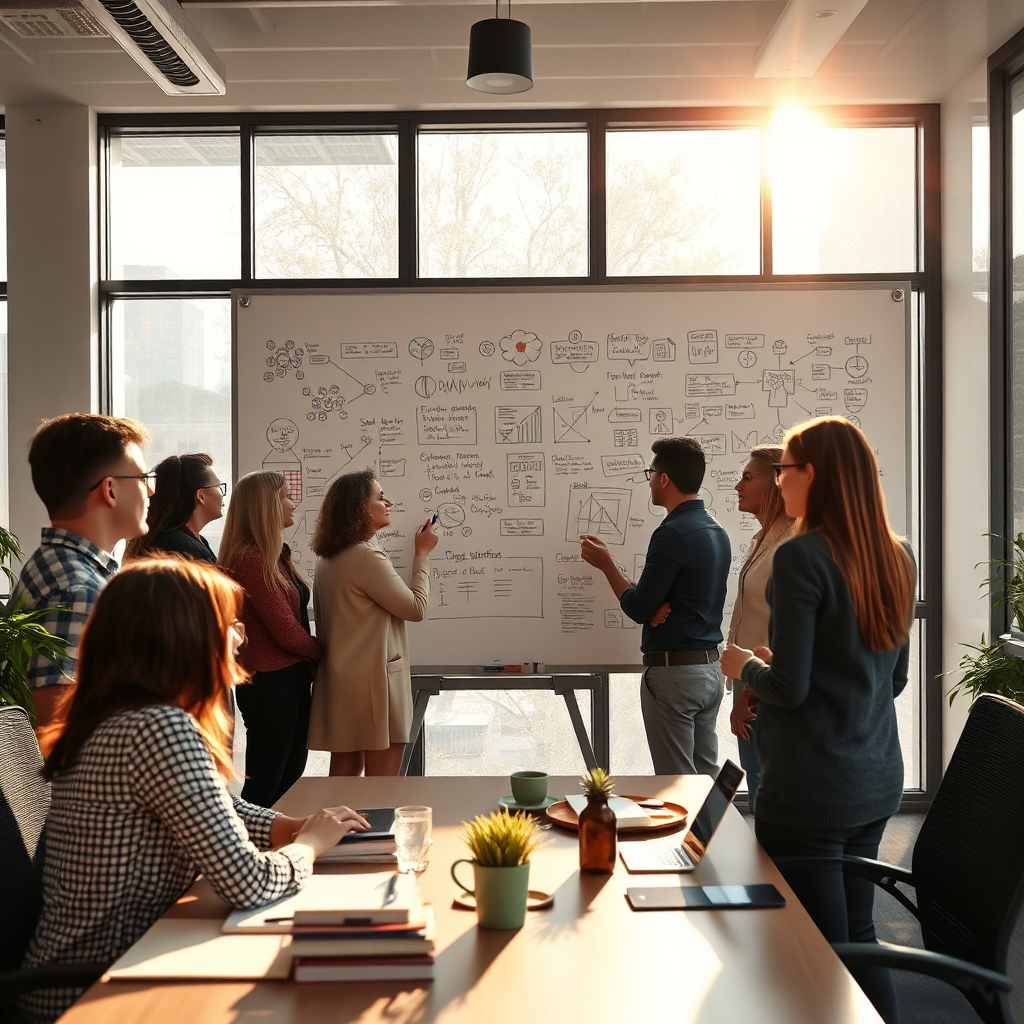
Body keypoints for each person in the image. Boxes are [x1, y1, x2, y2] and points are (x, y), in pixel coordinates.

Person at [17, 558, 368, 1024]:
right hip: (96, 993)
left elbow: (211, 805)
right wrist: (309, 847)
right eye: (229, 623)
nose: (241, 636)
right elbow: (249, 883)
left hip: (109, 968)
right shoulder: (158, 727)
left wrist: (291, 827)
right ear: (184, 637)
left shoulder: (120, 716)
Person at [720, 417, 915, 1024]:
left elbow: (791, 690)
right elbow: (891, 677)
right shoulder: (897, 553)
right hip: (875, 776)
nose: (778, 482)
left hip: (809, 786)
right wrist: (783, 665)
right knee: (857, 936)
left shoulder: (803, 554)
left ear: (815, 476)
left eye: (785, 469)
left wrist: (745, 665)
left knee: (813, 956)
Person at [581, 436, 731, 775]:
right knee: (704, 780)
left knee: (676, 783)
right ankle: (711, 831)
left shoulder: (672, 533)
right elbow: (656, 600)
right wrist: (651, 604)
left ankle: (694, 832)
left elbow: (638, 608)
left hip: (675, 676)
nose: (648, 480)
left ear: (663, 478)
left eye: (650, 472)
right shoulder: (716, 529)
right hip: (709, 671)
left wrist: (607, 565)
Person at [10, 413, 152, 750]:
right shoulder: (78, 591)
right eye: (144, 478)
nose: (151, 490)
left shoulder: (55, 566)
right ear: (111, 489)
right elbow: (57, 737)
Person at [309, 469, 438, 777]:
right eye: (380, 497)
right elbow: (416, 608)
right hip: (375, 687)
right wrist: (422, 555)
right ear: (359, 508)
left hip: (341, 685)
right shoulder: (365, 556)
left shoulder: (328, 557)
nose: (388, 502)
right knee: (380, 791)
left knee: (342, 789)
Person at [219, 470, 321, 806]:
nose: (294, 503)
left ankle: (270, 853)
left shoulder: (275, 555)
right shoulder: (251, 559)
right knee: (266, 786)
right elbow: (285, 629)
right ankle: (246, 855)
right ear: (266, 506)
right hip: (270, 683)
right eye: (286, 497)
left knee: (287, 778)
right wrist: (323, 652)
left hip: (287, 680)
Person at [726, 445, 795, 814]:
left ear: (776, 484)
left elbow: (784, 634)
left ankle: (772, 869)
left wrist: (749, 695)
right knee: (757, 781)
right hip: (750, 679)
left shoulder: (789, 543)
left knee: (767, 787)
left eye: (748, 477)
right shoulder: (764, 538)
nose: (738, 485)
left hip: (765, 684)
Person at [124, 452, 225, 563]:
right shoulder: (181, 547)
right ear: (201, 496)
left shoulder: (192, 540)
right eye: (218, 487)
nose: (222, 493)